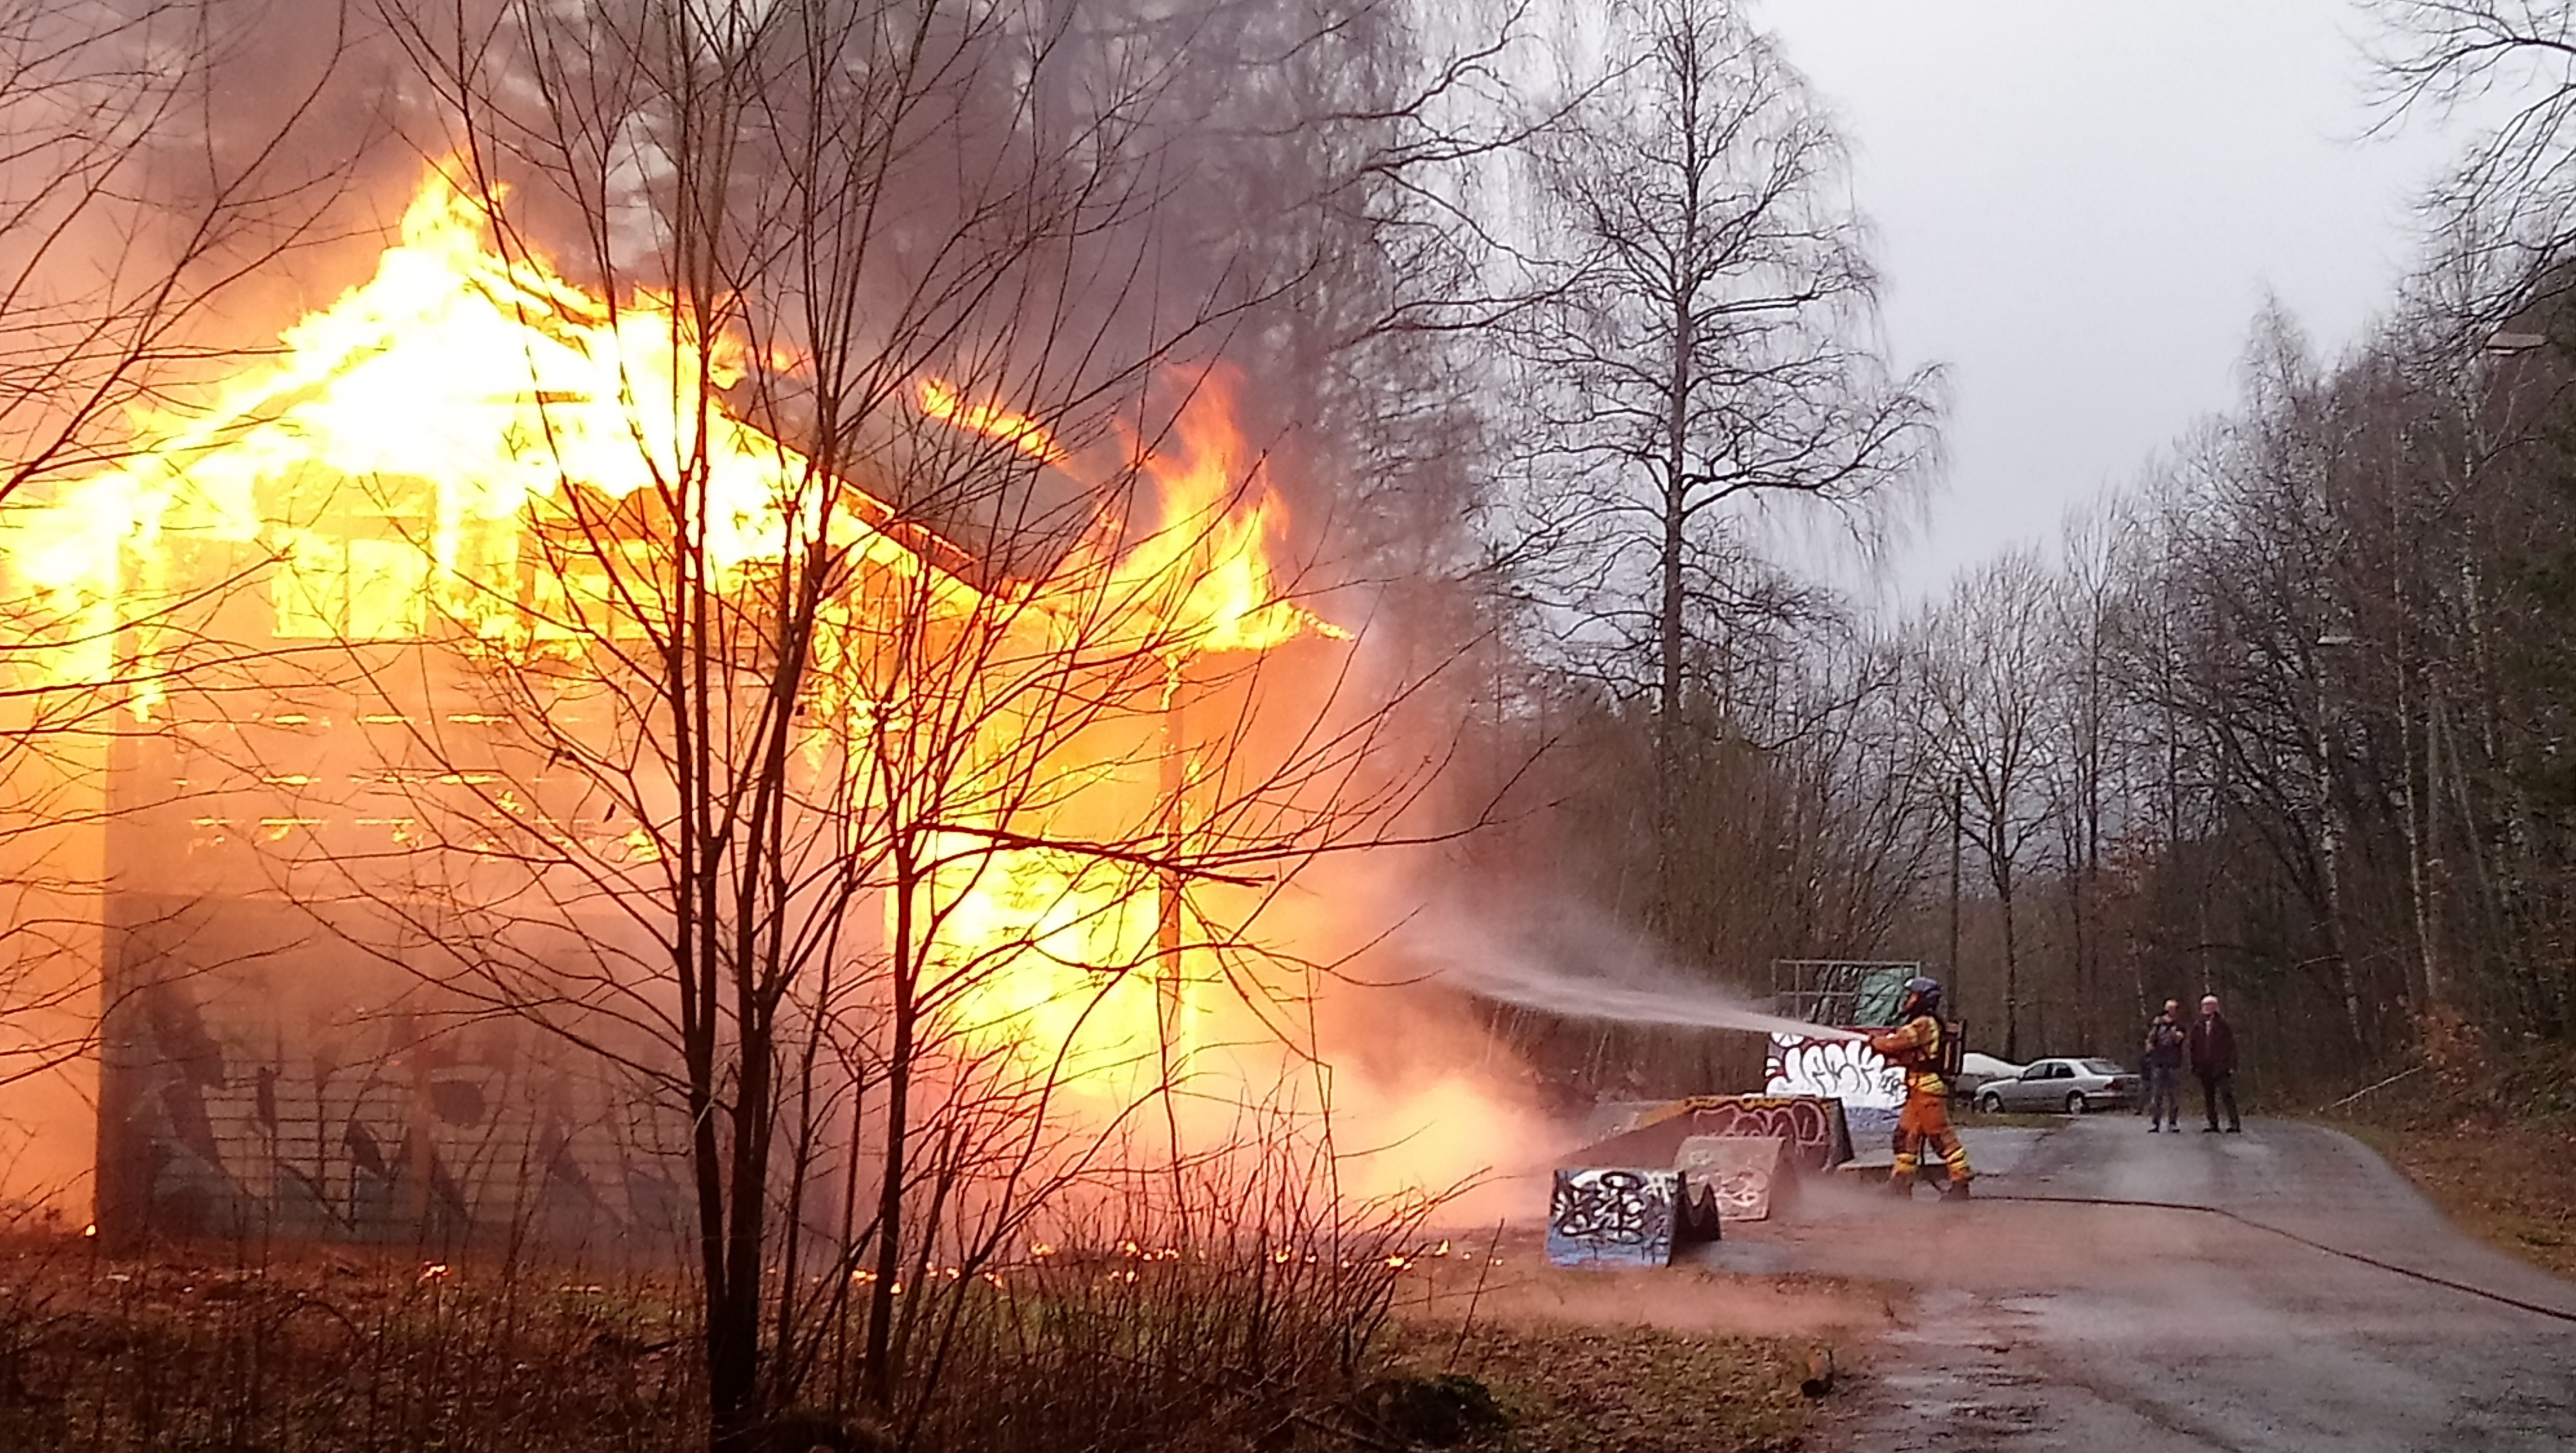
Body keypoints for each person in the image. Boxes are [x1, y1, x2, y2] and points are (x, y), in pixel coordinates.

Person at [1867, 976, 1974, 1199]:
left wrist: (1875, 1042)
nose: (1907, 1000)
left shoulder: (1924, 1024)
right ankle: (1901, 1182)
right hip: (1916, 1090)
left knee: (1941, 1137)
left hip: (1928, 1090)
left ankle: (1960, 1182)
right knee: (1906, 1136)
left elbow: (1897, 1043)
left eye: (1912, 996)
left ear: (1923, 999)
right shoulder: (1922, 1022)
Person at [2187, 993, 2242, 1133]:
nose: (2207, 1008)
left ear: (2216, 1007)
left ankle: (2234, 1123)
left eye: (2210, 1005)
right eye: (2205, 1005)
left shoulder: (2223, 1025)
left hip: (2221, 1066)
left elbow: (2231, 1046)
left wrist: (2231, 1064)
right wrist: (2194, 1065)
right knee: (2209, 1096)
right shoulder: (2198, 1025)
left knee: (2226, 1094)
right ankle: (2213, 1123)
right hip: (2204, 1067)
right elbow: (2193, 1047)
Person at [2142, 999, 2186, 1132]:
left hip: (2173, 1064)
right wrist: (2150, 1043)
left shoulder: (2180, 1025)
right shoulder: (2157, 1025)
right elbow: (2150, 1042)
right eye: (2169, 1008)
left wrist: (2171, 1029)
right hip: (2158, 1063)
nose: (2171, 1011)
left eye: (2174, 1008)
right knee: (2157, 1095)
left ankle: (2173, 1123)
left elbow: (2178, 1039)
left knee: (2174, 1096)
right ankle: (2155, 1123)